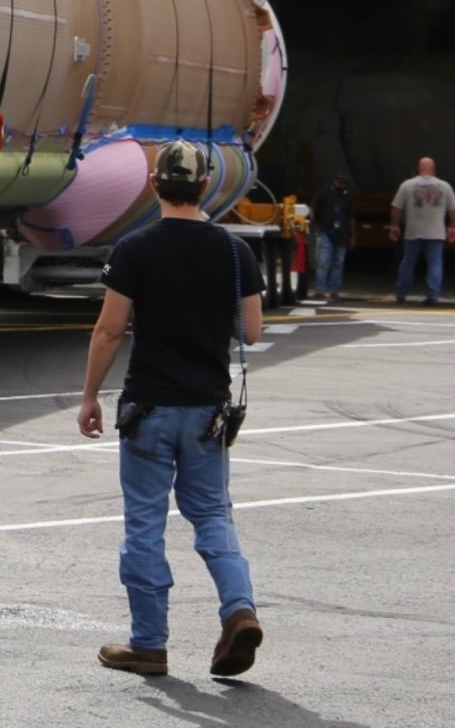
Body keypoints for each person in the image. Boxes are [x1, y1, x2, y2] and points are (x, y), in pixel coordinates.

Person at [78, 140, 265, 680]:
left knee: (144, 524)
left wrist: (90, 397)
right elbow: (249, 330)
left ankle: (149, 645)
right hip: (207, 410)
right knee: (211, 516)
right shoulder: (235, 252)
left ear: (155, 185)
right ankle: (239, 610)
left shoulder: (135, 249)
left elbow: (111, 329)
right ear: (205, 185)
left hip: (149, 408)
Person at [388, 155, 455, 306]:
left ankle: (401, 294)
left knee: (408, 262)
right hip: (436, 232)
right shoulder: (444, 186)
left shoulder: (407, 185)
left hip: (413, 231)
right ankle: (433, 295)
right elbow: (453, 208)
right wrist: (453, 226)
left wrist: (394, 225)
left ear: (419, 169)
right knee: (435, 263)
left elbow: (396, 207)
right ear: (433, 170)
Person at [308, 174, 354, 299]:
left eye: (344, 184)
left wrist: (352, 235)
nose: (341, 186)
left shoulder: (348, 197)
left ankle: (334, 291)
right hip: (326, 231)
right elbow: (313, 209)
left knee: (338, 263)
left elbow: (351, 218)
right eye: (340, 183)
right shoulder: (323, 194)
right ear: (334, 182)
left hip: (342, 234)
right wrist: (314, 225)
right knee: (323, 262)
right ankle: (320, 290)